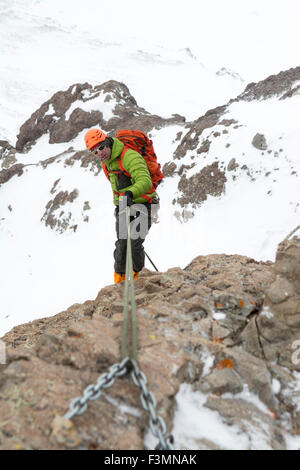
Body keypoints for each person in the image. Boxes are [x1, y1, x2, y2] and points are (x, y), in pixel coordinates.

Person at [84, 128, 157, 284]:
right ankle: (120, 281)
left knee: (134, 243)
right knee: (122, 244)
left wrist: (130, 193)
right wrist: (119, 205)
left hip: (145, 204)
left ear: (107, 142)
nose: (100, 153)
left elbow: (145, 181)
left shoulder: (129, 156)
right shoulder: (107, 163)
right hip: (124, 205)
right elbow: (116, 187)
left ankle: (138, 279)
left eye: (101, 147)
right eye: (95, 152)